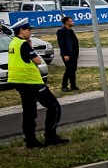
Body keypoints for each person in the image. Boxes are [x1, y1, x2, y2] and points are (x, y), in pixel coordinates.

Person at [7, 20, 69, 148]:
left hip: (19, 82)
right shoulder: (24, 44)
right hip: (31, 82)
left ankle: (30, 140)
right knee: (54, 107)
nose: (30, 32)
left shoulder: (13, 42)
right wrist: (31, 47)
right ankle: (50, 136)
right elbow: (37, 60)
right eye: (28, 29)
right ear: (21, 31)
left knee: (29, 112)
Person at [56, 15, 80, 92]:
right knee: (69, 69)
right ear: (66, 22)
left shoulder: (71, 31)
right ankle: (64, 86)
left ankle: (73, 85)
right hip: (67, 54)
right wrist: (64, 54)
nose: (73, 22)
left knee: (73, 69)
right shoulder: (61, 31)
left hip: (74, 54)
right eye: (71, 21)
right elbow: (61, 44)